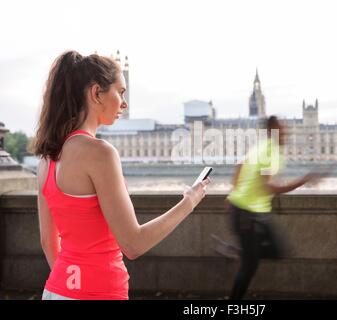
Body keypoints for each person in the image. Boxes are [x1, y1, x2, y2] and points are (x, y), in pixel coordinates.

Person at [33, 51, 209, 300]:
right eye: (120, 92)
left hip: (56, 290)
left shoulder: (46, 159)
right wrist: (189, 202)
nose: (124, 104)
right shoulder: (100, 153)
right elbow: (134, 244)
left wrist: (70, 288)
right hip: (100, 293)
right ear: (96, 93)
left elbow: (47, 242)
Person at [226, 115, 328, 300]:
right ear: (272, 131)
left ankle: (242, 251)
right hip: (245, 212)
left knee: (277, 250)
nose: (286, 132)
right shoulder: (268, 153)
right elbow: (270, 187)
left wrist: (234, 190)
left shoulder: (265, 149)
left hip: (255, 210)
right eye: (282, 129)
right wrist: (303, 180)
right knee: (250, 265)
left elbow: (241, 165)